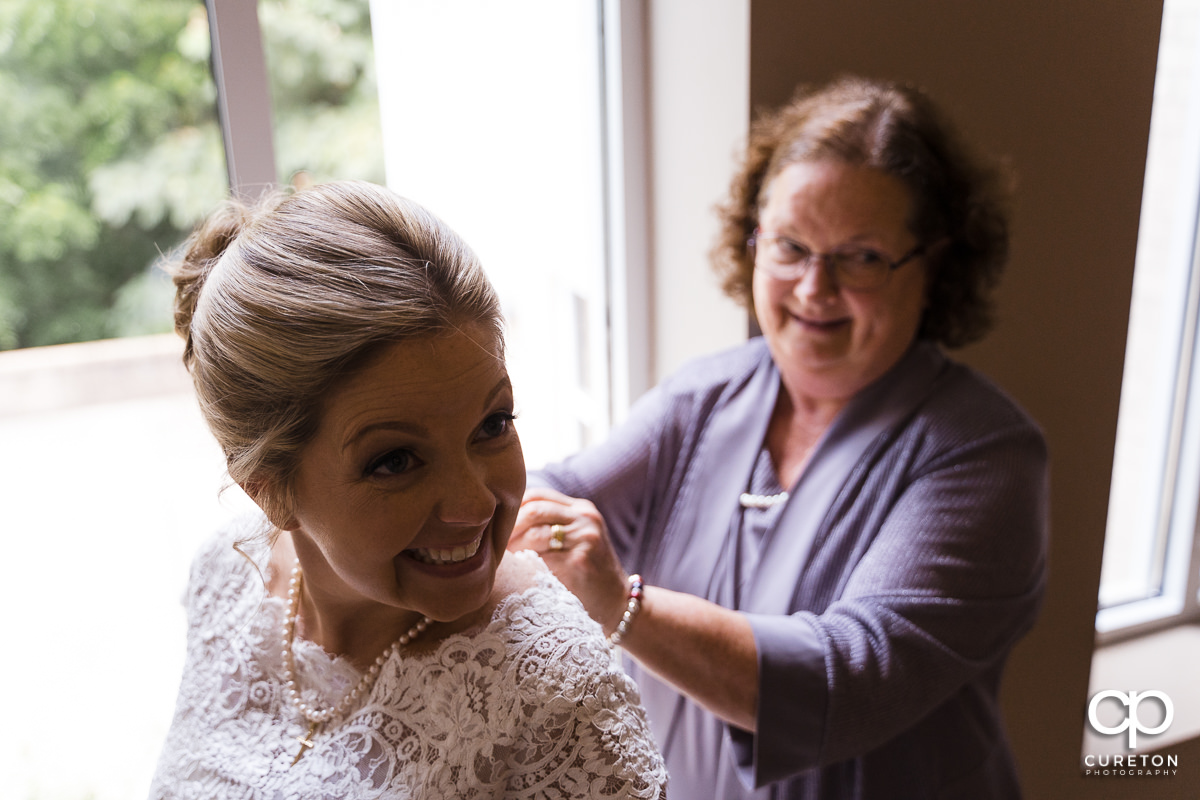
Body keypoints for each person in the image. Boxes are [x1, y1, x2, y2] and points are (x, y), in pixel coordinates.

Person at [511, 76, 1048, 799]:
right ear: (753, 240)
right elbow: (559, 492)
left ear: (936, 264)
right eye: (791, 246)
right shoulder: (704, 398)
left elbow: (848, 679)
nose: (813, 288)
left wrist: (621, 603)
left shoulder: (985, 457)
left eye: (861, 257)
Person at [148, 181, 667, 798]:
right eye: (396, 461)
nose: (475, 505)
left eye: (492, 425)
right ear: (268, 490)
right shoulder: (224, 576)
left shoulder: (554, 692)